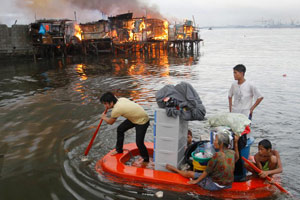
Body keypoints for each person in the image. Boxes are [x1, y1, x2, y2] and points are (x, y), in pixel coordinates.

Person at [166, 132, 239, 191]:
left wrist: (196, 181)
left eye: (215, 140)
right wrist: (236, 144)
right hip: (228, 184)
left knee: (189, 173)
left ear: (221, 143)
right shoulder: (232, 152)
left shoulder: (217, 155)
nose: (214, 142)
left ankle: (174, 169)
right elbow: (237, 158)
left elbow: (206, 172)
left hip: (215, 185)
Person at [100, 92, 150, 163]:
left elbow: (110, 122)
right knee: (120, 129)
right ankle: (119, 150)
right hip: (134, 118)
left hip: (142, 121)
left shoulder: (116, 110)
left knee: (139, 143)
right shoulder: (121, 99)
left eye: (105, 104)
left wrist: (103, 117)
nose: (105, 106)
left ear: (111, 103)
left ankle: (146, 160)